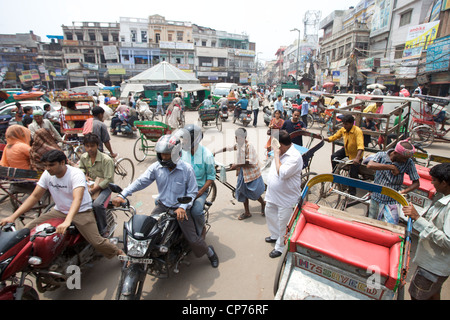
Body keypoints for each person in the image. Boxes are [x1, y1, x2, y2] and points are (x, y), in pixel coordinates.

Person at [112, 134, 219, 268]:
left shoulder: (186, 169)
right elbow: (140, 182)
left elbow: (192, 192)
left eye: (167, 154)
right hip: (162, 206)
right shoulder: (156, 167)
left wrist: (183, 207)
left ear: (176, 153)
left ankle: (210, 252)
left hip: (180, 208)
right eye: (161, 154)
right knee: (146, 232)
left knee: (192, 238)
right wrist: (123, 194)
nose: (163, 157)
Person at [0, 150, 124, 259]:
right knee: (26, 230)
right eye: (46, 165)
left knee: (97, 242)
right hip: (59, 210)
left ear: (62, 163)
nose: (48, 168)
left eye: (51, 165)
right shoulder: (47, 174)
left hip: (81, 211)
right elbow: (34, 196)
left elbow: (77, 199)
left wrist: (67, 221)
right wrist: (13, 216)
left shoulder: (75, 174)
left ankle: (118, 252)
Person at [403, 163, 450, 300]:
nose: (432, 183)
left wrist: (417, 218)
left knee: (417, 295)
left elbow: (448, 241)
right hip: (434, 264)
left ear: (445, 182)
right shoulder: (442, 198)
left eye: (434, 180)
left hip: (433, 266)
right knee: (433, 293)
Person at [264, 130, 303, 258]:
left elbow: (283, 173)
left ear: (280, 145)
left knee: (283, 223)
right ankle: (275, 236)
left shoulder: (294, 157)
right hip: (273, 195)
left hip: (286, 198)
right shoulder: (281, 152)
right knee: (270, 214)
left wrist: (276, 154)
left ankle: (280, 247)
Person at [215, 128, 265, 220]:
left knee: (254, 192)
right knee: (242, 191)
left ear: (245, 137)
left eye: (241, 138)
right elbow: (228, 148)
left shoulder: (249, 146)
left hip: (251, 173)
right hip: (243, 172)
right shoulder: (238, 145)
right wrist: (215, 152)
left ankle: (263, 203)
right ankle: (247, 212)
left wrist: (236, 165)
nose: (239, 140)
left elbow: (250, 161)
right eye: (237, 138)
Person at [366, 140, 420, 225]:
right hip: (376, 197)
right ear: (395, 153)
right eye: (403, 158)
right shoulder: (381, 155)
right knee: (371, 224)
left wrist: (403, 192)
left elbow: (416, 183)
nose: (405, 161)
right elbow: (370, 165)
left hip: (393, 200)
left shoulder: (408, 162)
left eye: (406, 159)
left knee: (391, 226)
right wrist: (391, 167)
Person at [176, 125, 216, 237]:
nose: (184, 141)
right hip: (183, 187)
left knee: (196, 211)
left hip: (199, 189)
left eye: (186, 139)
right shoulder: (182, 152)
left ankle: (201, 229)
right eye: (183, 138)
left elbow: (211, 178)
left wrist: (200, 192)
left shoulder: (206, 155)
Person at [79, 133, 115, 236]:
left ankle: (104, 230)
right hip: (90, 185)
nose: (89, 149)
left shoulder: (106, 160)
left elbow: (109, 179)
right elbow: (81, 168)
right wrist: (84, 176)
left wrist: (94, 190)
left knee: (97, 205)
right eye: (87, 146)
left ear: (97, 145)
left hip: (105, 188)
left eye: (92, 146)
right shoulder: (84, 157)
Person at [325, 115, 364, 195]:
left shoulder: (357, 131)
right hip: (346, 150)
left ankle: (352, 193)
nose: (344, 126)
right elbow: (334, 137)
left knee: (353, 174)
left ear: (351, 124)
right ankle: (336, 175)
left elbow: (360, 146)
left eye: (346, 124)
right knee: (333, 156)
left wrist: (357, 158)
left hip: (355, 154)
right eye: (343, 124)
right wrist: (324, 138)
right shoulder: (343, 129)